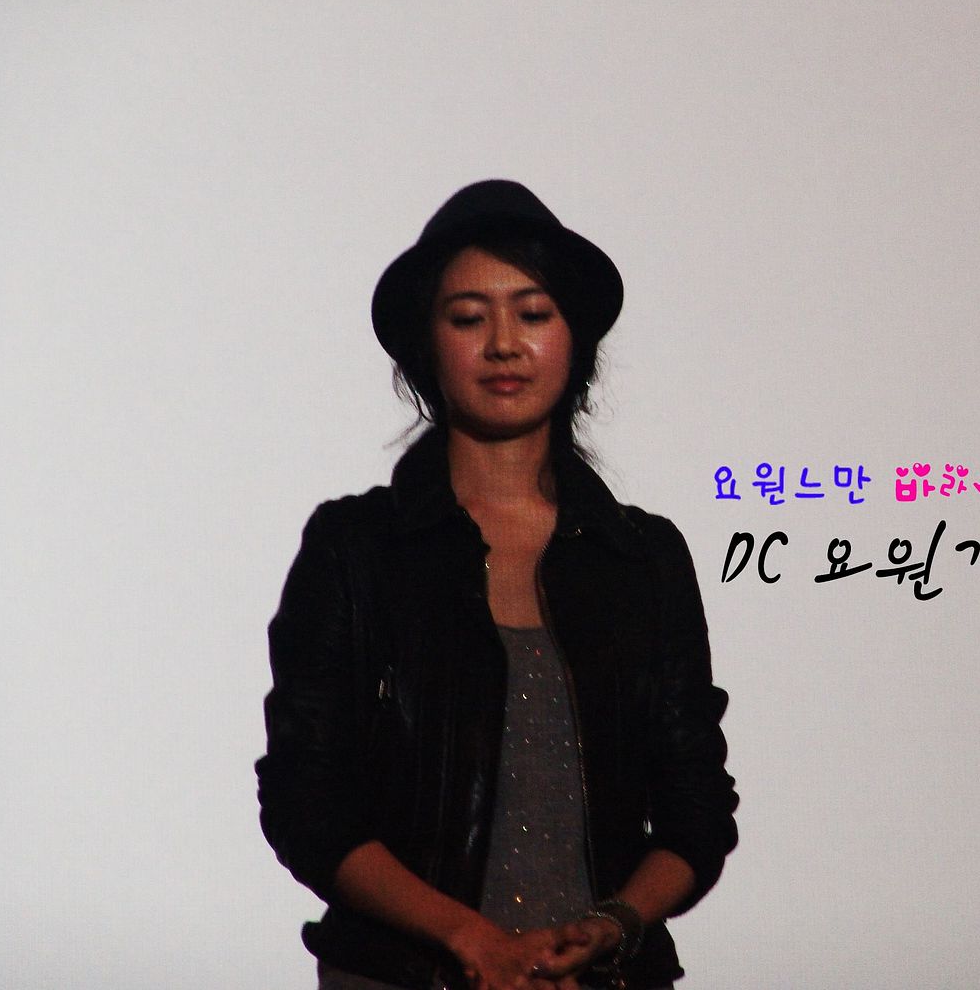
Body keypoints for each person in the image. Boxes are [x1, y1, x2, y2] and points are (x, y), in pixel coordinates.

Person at [257, 180, 738, 990]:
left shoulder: (641, 557)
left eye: (534, 313)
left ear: (575, 340)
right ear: (427, 344)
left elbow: (697, 810)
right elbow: (306, 801)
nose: (505, 345)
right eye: (469, 318)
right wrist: (470, 939)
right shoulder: (356, 548)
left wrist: (612, 925)